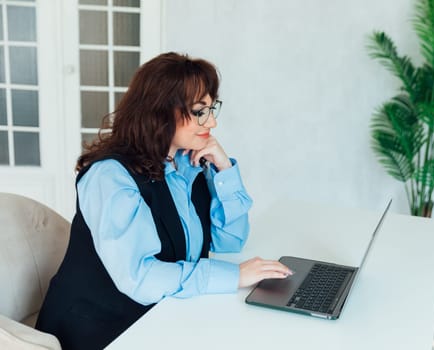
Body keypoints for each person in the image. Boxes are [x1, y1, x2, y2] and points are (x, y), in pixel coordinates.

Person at [35, 52, 292, 350]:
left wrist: (224, 169)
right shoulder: (110, 177)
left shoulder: (187, 164)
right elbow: (141, 278)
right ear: (160, 112)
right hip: (99, 329)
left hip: (161, 314)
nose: (211, 122)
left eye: (211, 109)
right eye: (199, 111)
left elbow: (230, 240)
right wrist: (234, 276)